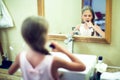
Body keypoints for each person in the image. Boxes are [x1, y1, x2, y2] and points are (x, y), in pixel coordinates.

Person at [8, 16, 86, 80]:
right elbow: (82, 67)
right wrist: (62, 50)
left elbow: (10, 72)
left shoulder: (20, 56)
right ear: (44, 37)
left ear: (24, 37)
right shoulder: (54, 61)